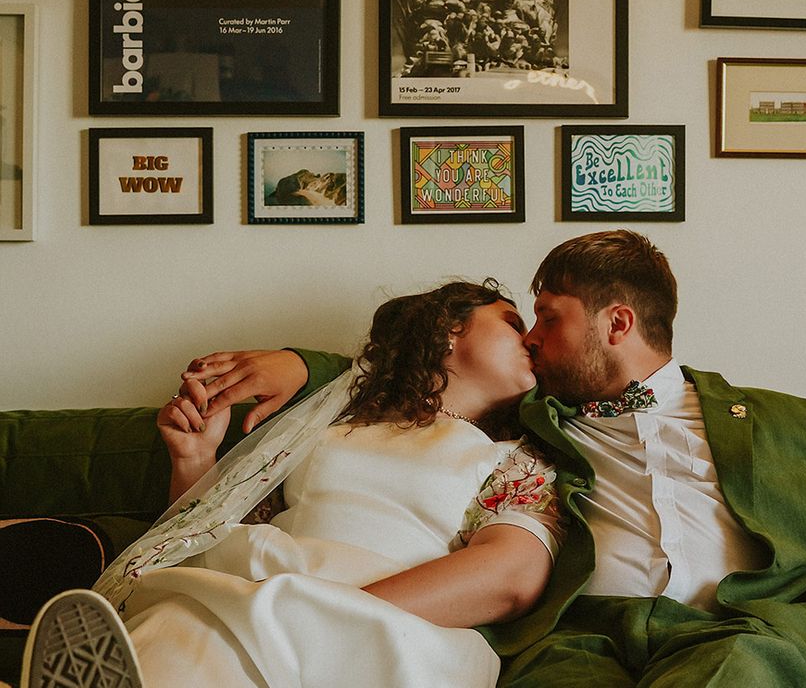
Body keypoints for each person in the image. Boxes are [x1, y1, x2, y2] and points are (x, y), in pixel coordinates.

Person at [167, 231, 806, 687]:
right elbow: (403, 377)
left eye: (549, 318)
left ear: (618, 324)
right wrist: (291, 364)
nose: (530, 337)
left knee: (739, 670)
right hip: (579, 642)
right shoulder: (528, 414)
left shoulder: (794, 422)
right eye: (522, 322)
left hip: (742, 630)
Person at [22, 282, 563, 688]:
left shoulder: (513, 460)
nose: (533, 339)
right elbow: (208, 533)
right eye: (514, 322)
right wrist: (195, 457)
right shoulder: (326, 429)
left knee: (260, 630)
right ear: (452, 327)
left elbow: (510, 577)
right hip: (269, 575)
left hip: (394, 616)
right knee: (189, 618)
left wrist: (321, 609)